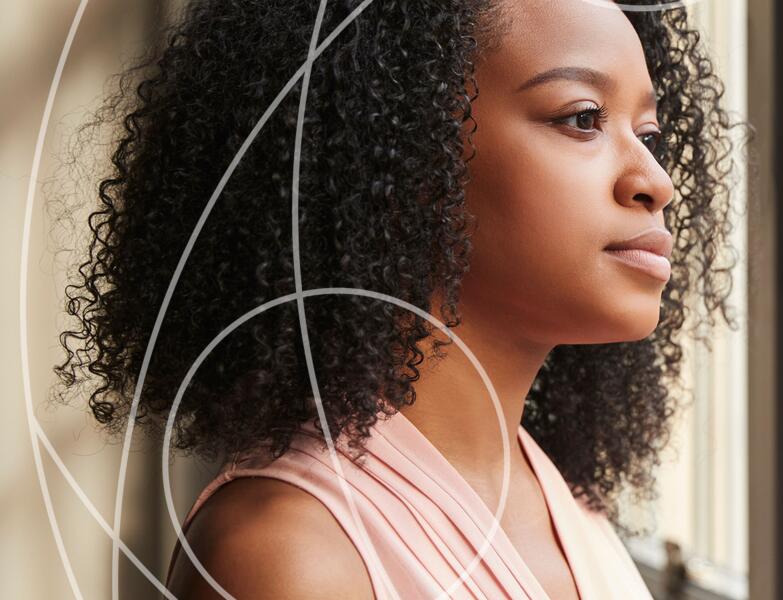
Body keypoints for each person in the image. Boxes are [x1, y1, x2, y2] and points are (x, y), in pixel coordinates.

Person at [56, 0, 737, 597]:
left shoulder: (563, 505)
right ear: (407, 156)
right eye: (583, 118)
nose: (654, 180)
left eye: (647, 134)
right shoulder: (292, 557)